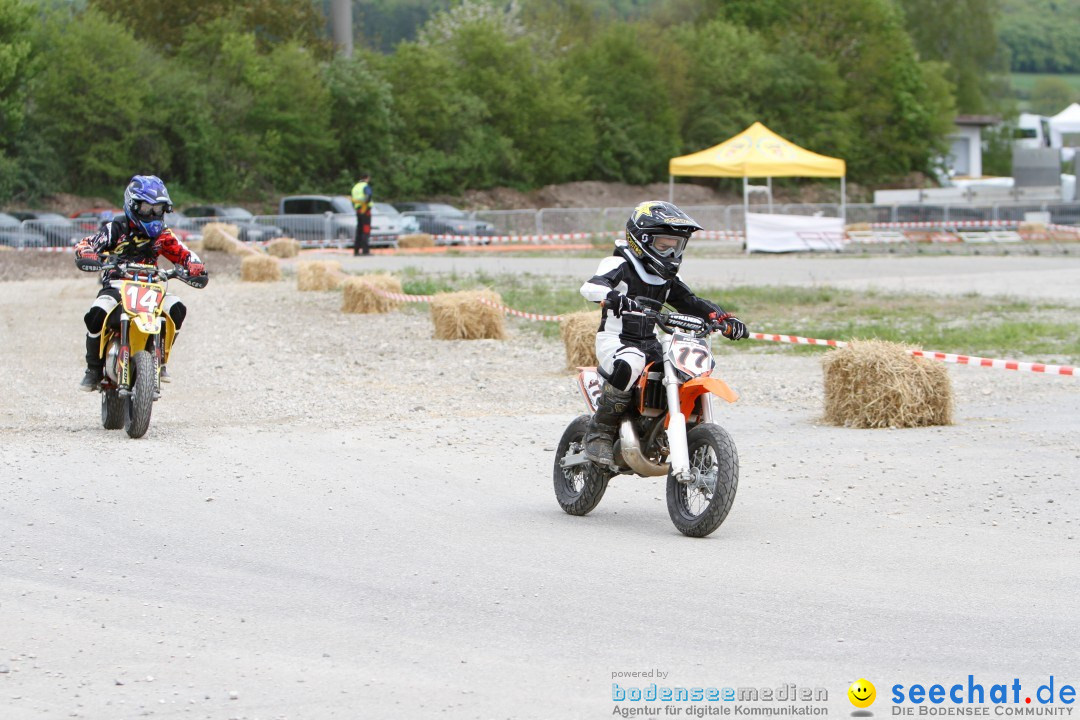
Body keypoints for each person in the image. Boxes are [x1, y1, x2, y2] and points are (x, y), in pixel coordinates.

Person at [578, 200, 748, 465]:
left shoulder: (667, 279)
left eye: (676, 246)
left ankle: (668, 429)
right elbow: (590, 287)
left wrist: (724, 319)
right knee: (632, 359)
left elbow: (691, 302)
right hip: (616, 340)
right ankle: (599, 431)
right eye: (662, 246)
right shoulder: (618, 264)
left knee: (681, 368)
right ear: (641, 240)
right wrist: (614, 297)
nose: (670, 254)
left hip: (650, 342)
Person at [74, 174, 207, 391]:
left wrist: (195, 266)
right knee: (96, 313)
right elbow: (87, 243)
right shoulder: (115, 228)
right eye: (147, 209)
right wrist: (87, 253)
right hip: (117, 284)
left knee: (177, 309)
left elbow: (185, 254)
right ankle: (93, 368)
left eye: (158, 210)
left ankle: (161, 360)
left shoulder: (163, 235)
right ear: (132, 205)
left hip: (152, 286)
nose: (153, 214)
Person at [351, 172, 373, 256]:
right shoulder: (365, 186)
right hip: (365, 210)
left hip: (358, 210)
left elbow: (353, 200)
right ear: (367, 178)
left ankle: (356, 251)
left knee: (359, 230)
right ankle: (365, 251)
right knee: (366, 230)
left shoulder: (355, 187)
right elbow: (368, 195)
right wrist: (366, 205)